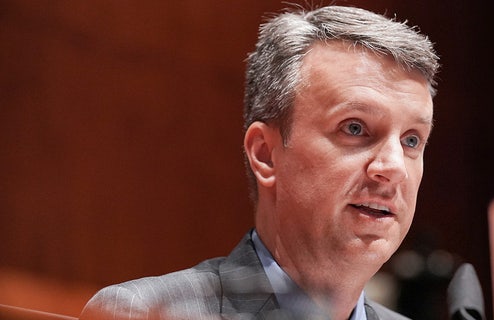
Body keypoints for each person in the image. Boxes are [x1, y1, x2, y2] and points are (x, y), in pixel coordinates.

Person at [79, 4, 439, 320]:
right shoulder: (141, 313)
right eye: (356, 128)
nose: (393, 167)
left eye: (411, 140)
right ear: (265, 155)